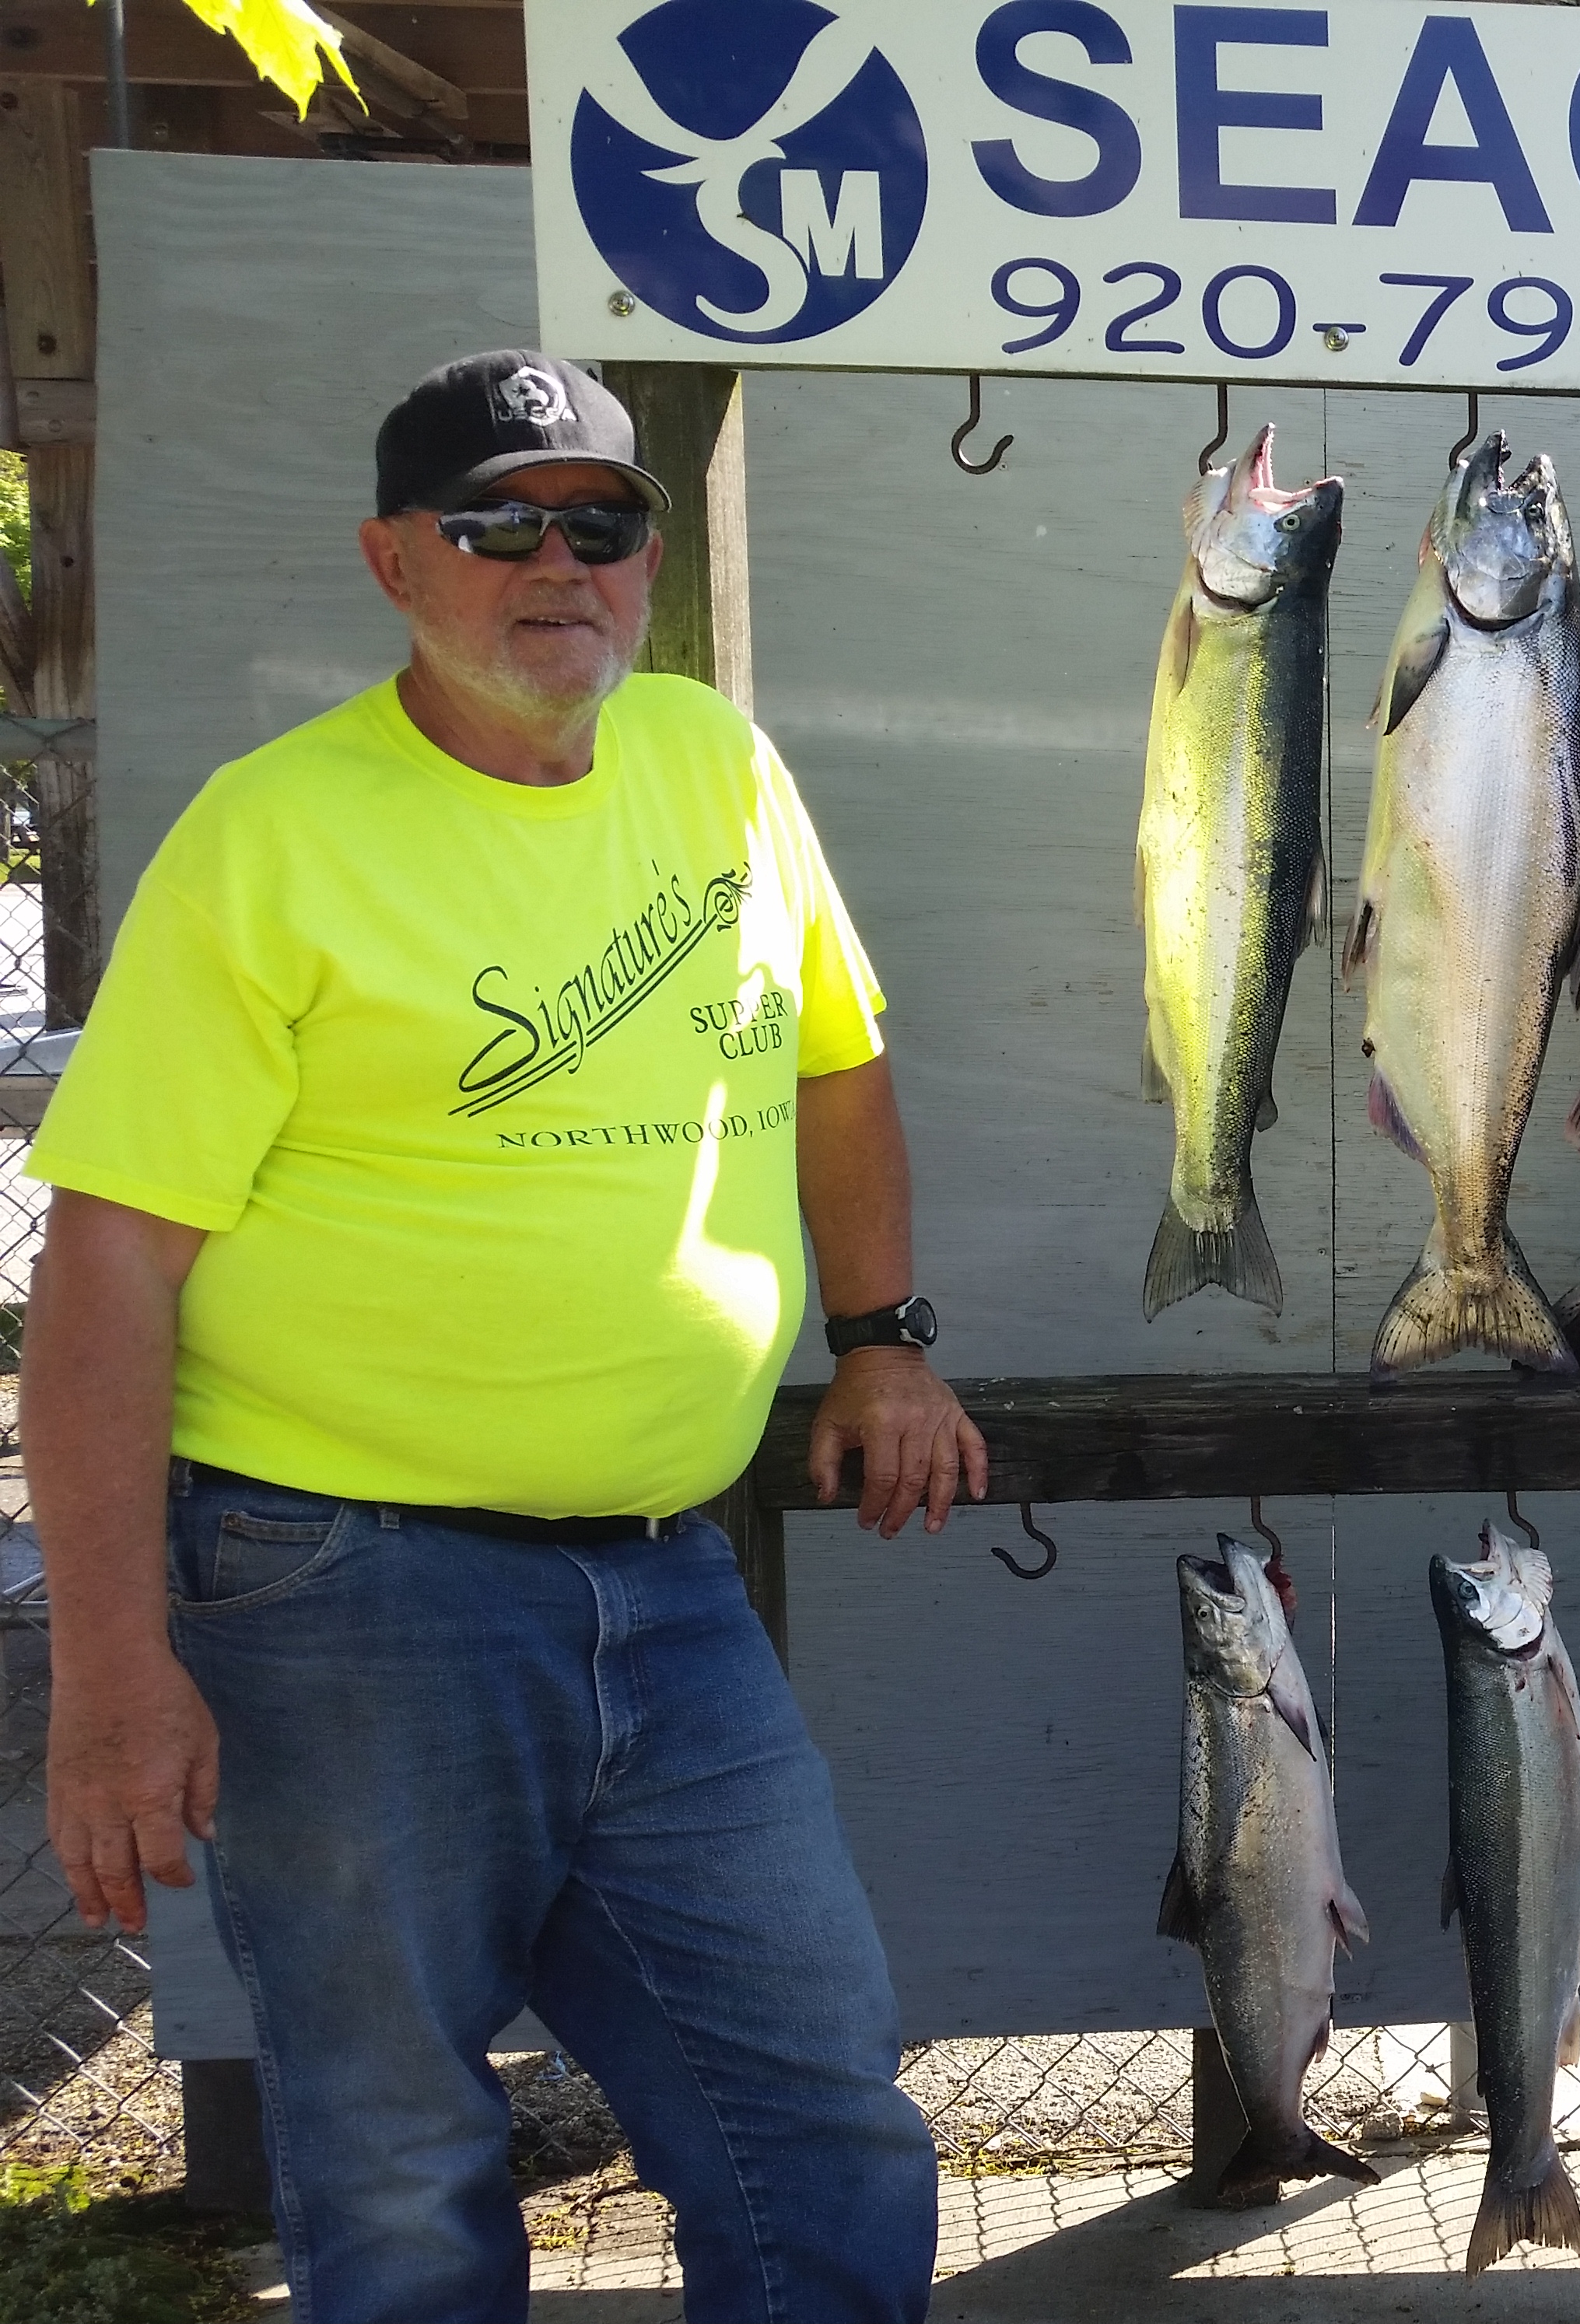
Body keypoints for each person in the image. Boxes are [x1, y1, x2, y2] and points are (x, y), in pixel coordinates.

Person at [23, 350, 987, 2321]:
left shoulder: (720, 763)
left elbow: (837, 1064)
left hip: (672, 1583)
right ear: (396, 561)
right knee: (396, 2171)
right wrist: (113, 1673)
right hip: (343, 1593)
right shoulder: (266, 838)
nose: (557, 563)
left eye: (600, 522)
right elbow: (104, 1269)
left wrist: (883, 1335)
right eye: (495, 524)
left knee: (819, 2122)